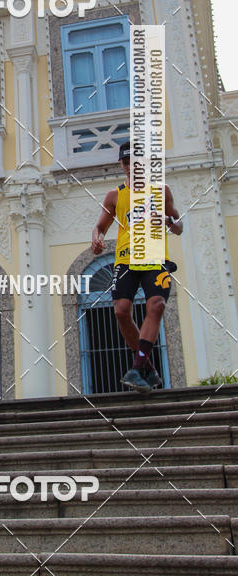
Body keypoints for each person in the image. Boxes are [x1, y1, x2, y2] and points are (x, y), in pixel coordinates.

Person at [91, 141, 183, 394]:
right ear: (122, 165)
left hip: (155, 258)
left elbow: (178, 225)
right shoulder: (115, 196)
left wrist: (166, 220)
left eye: (137, 162)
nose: (132, 167)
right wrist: (96, 238)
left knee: (157, 304)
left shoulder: (161, 190)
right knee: (121, 311)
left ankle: (138, 365)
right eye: (126, 162)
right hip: (125, 259)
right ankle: (148, 369)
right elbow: (100, 226)